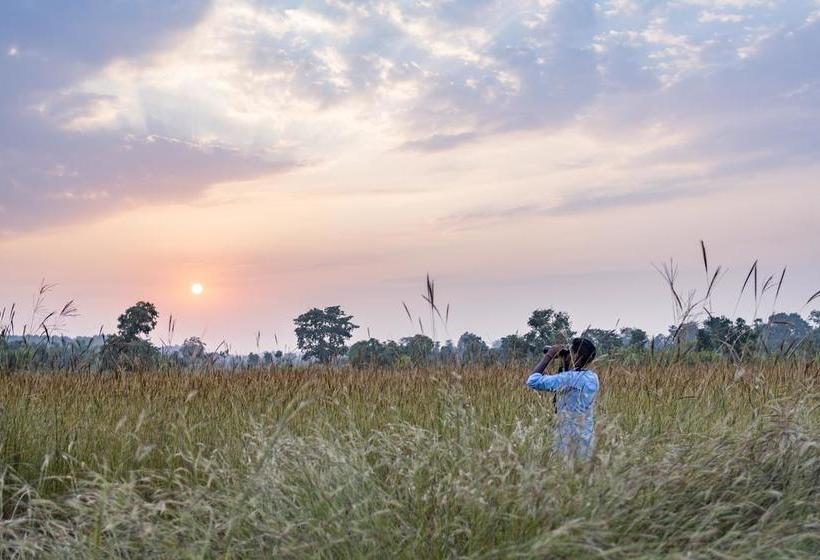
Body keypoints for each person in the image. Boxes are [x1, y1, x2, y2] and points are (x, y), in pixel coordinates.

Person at [525, 337, 599, 459]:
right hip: (587, 438)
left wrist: (549, 355)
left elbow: (532, 381)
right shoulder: (593, 378)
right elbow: (572, 379)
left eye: (571, 352)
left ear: (576, 356)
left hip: (567, 441)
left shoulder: (568, 378)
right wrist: (566, 363)